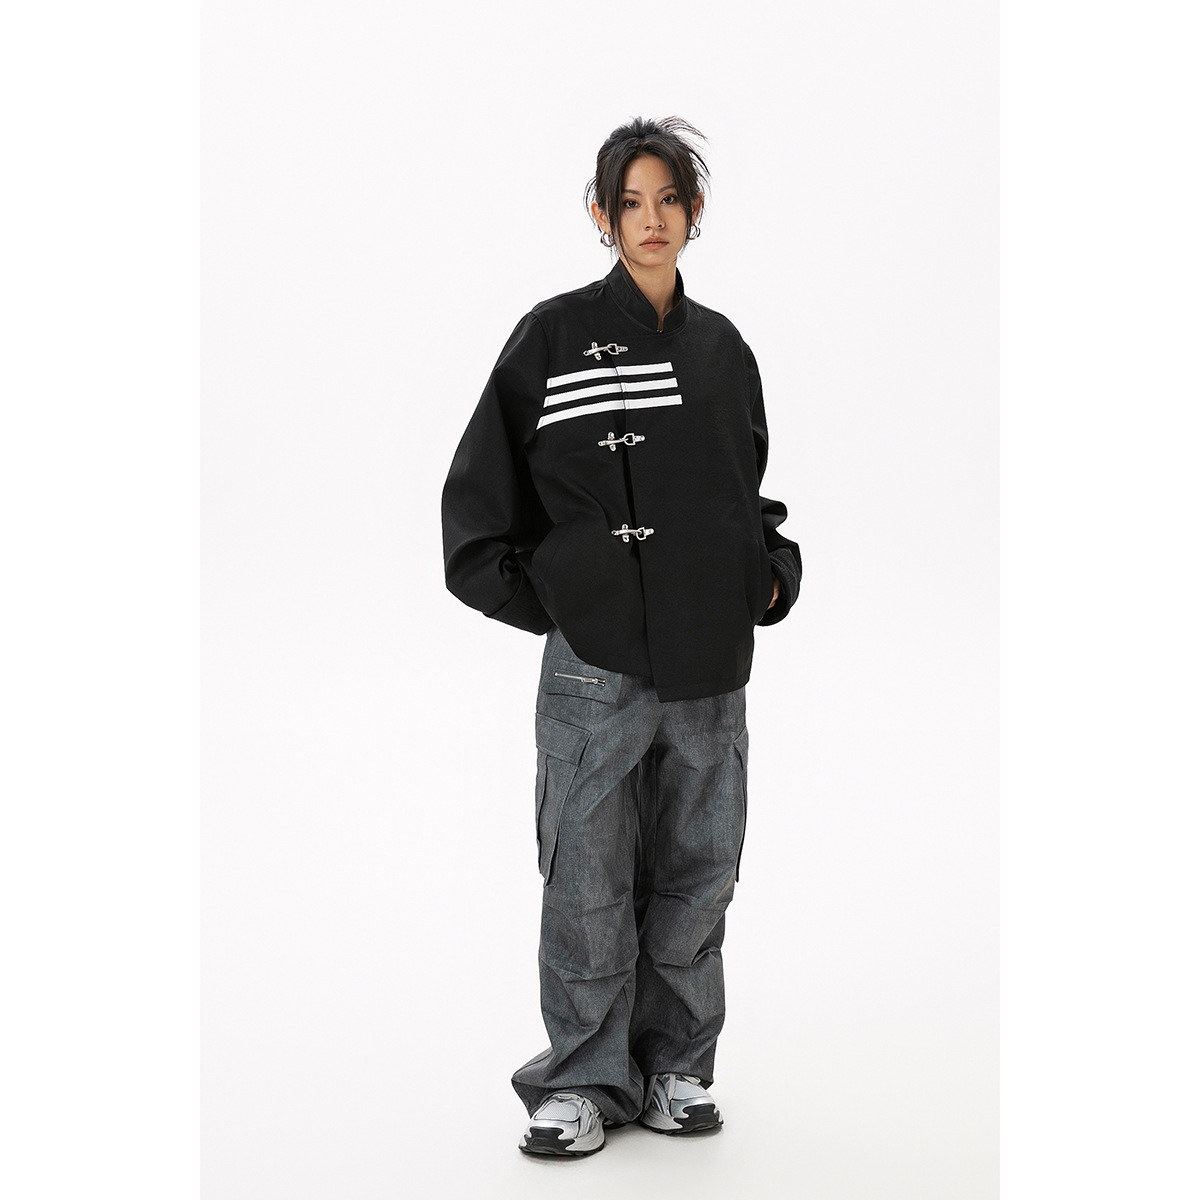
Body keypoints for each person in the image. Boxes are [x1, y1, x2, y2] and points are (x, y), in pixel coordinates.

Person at [440, 115, 802, 1157]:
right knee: (587, 879)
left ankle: (677, 1064)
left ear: (694, 211)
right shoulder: (551, 339)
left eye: (668, 200)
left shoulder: (722, 350)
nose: (651, 220)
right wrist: (569, 603)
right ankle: (583, 1080)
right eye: (630, 203)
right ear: (601, 215)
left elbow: (746, 493)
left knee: (699, 872)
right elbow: (478, 517)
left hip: (709, 667)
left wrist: (769, 575)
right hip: (594, 673)